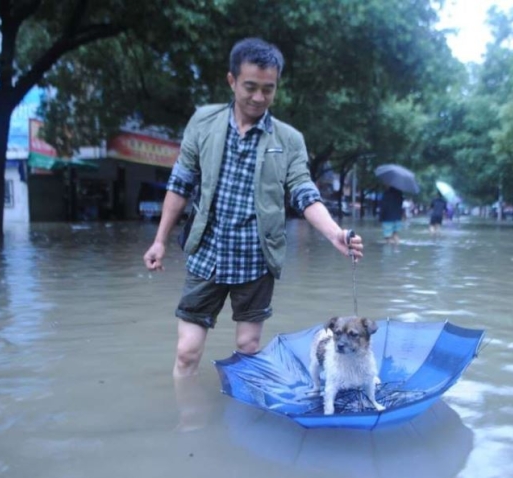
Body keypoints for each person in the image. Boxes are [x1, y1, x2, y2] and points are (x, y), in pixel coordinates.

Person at [142, 38, 363, 379]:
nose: (259, 98)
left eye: (268, 89)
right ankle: (187, 422)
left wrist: (335, 233)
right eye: (250, 87)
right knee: (186, 352)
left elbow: (304, 191)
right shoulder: (203, 122)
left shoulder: (289, 140)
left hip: (257, 258)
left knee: (248, 348)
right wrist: (159, 240)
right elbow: (180, 183)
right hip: (206, 255)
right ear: (232, 81)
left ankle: (239, 416)